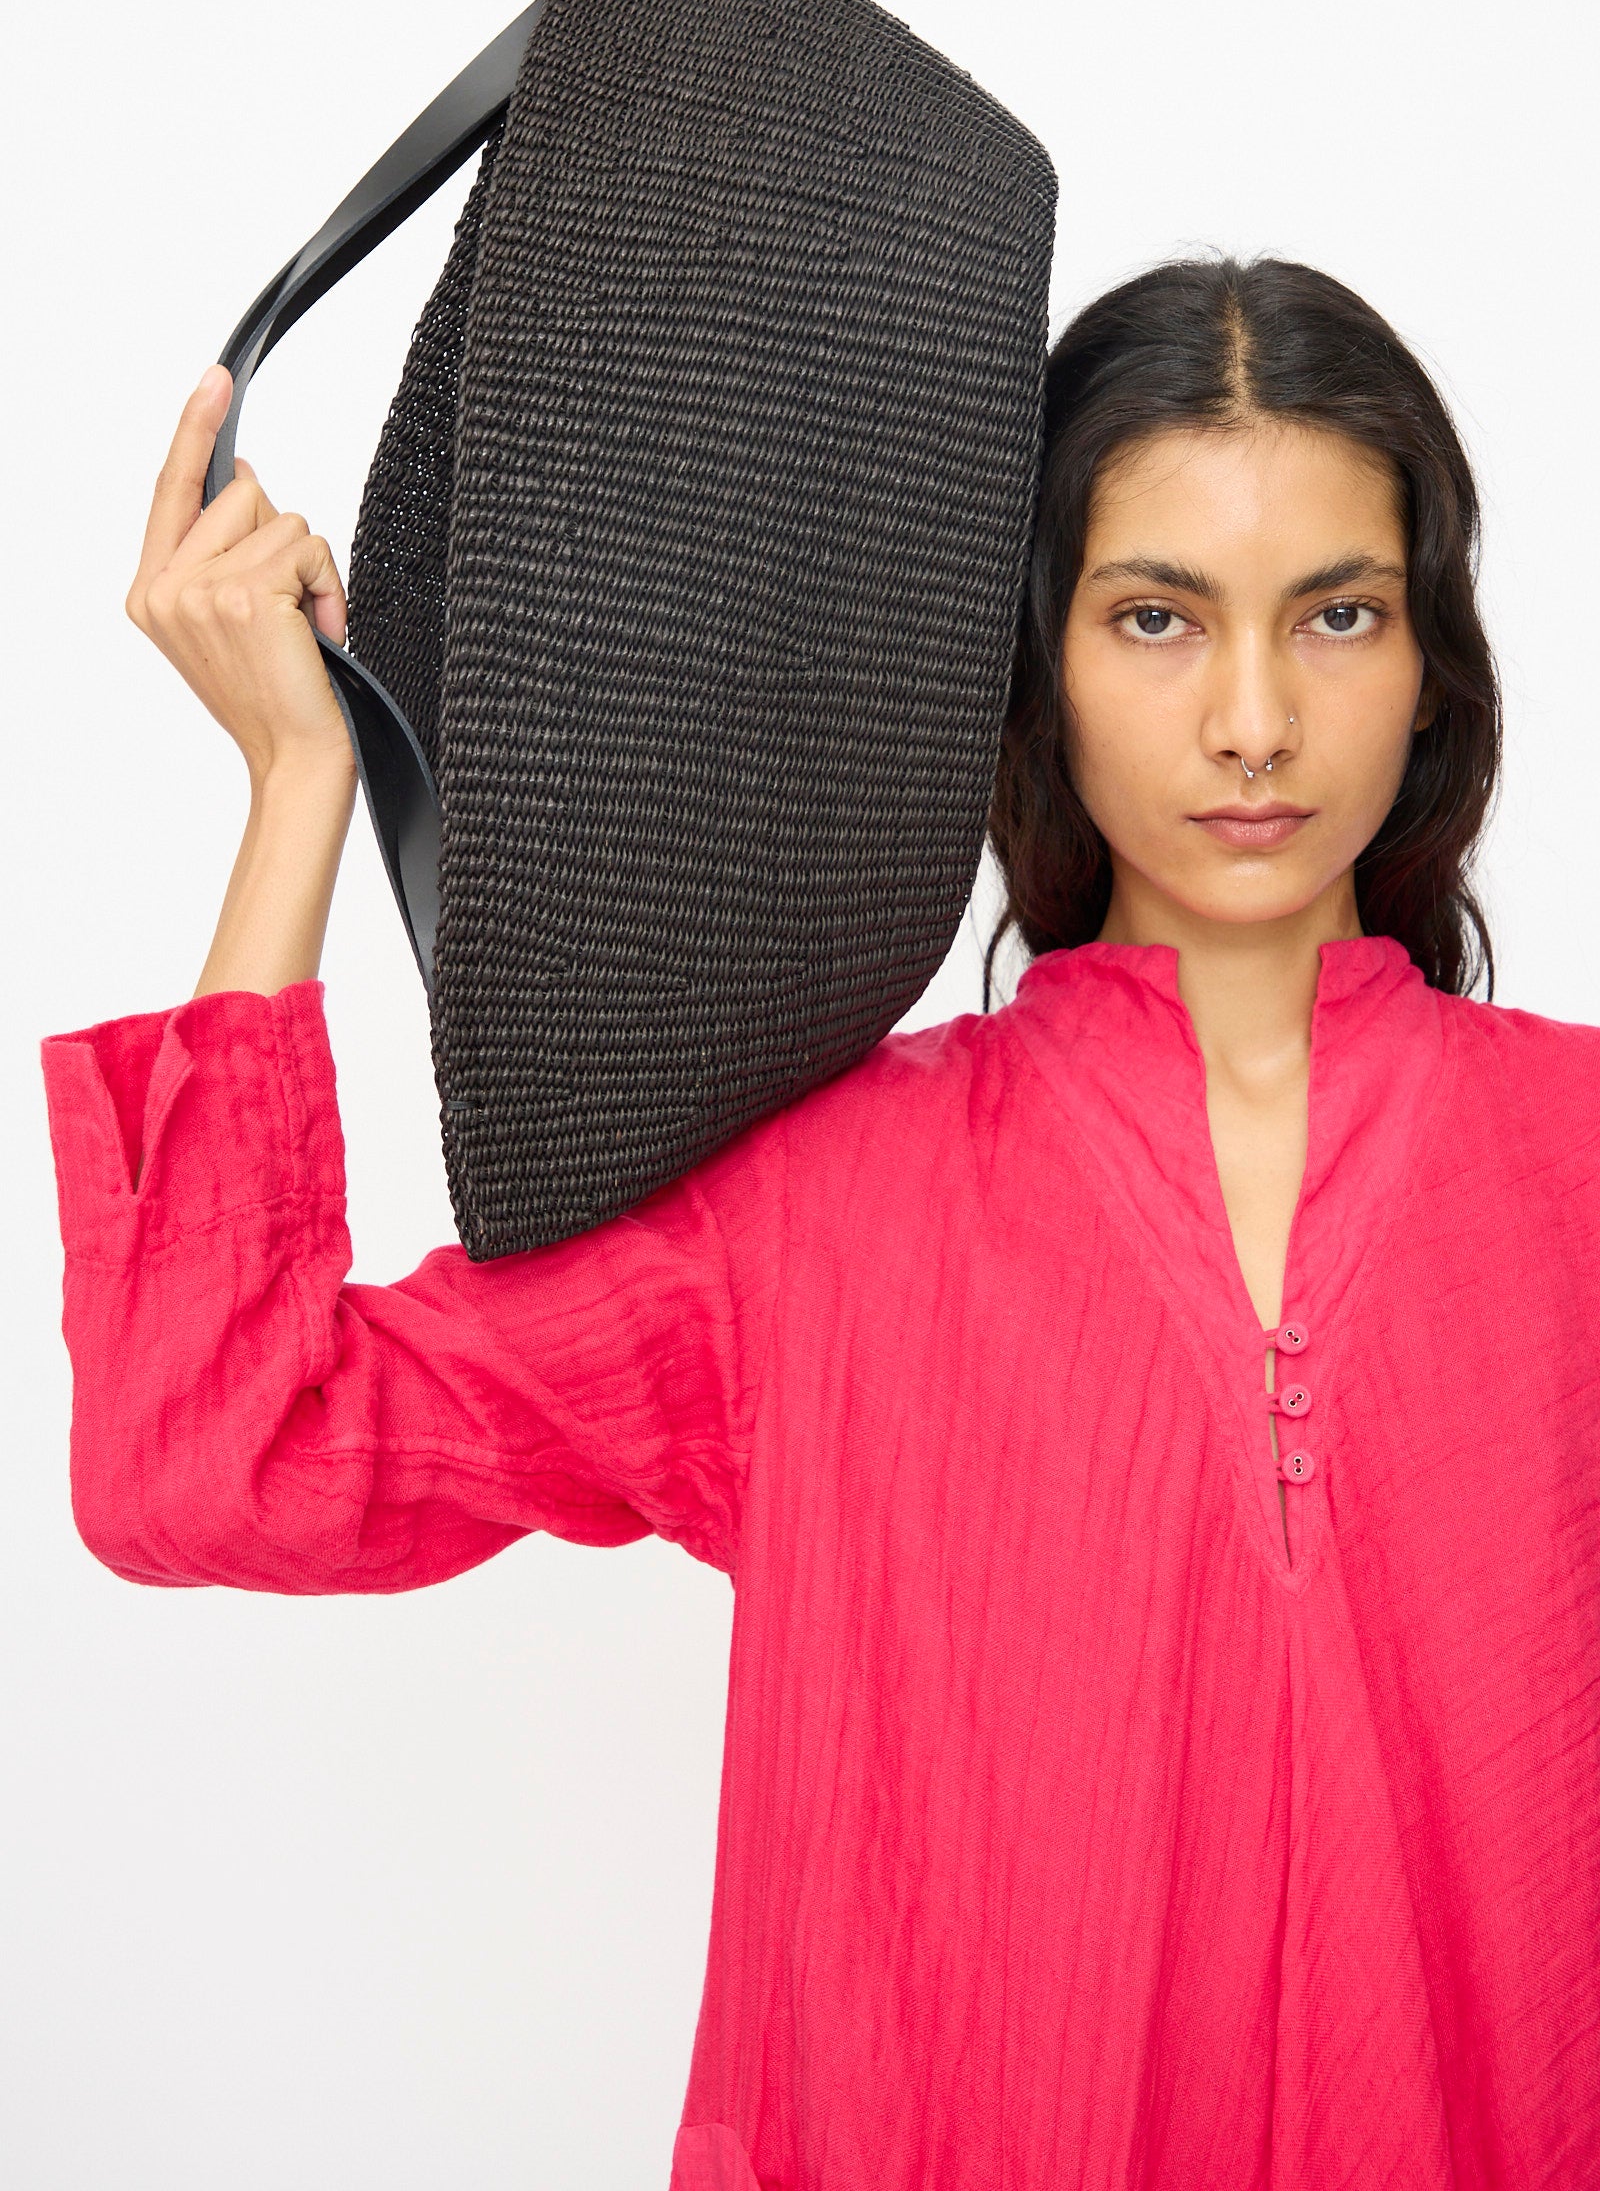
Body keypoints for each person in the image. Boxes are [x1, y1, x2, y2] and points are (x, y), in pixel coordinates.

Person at [40, 254, 1600, 2188]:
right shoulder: (820, 1208)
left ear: (1434, 661)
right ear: (1034, 662)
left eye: (1338, 615)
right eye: (1157, 618)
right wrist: (302, 779)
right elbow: (217, 1457)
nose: (1256, 719)